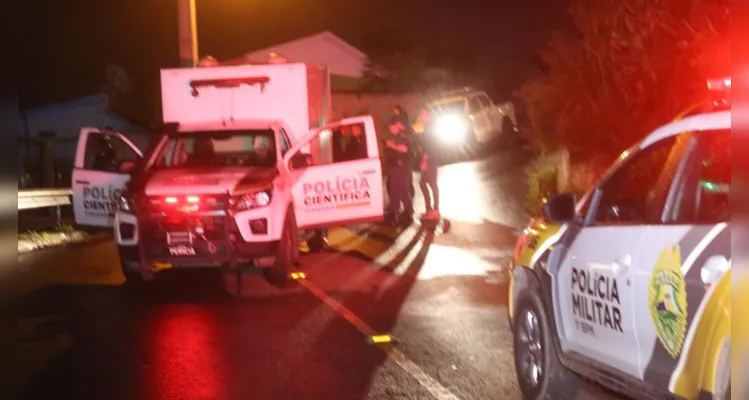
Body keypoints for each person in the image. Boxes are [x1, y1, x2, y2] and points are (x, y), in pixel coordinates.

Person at [385, 117, 414, 226]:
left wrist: (391, 145)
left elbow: (404, 149)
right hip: (395, 167)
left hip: (402, 167)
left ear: (397, 125)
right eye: (389, 128)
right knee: (394, 191)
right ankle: (395, 213)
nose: (391, 130)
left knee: (403, 190)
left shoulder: (403, 135)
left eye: (392, 127)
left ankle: (409, 212)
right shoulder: (396, 136)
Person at [418, 110, 440, 219]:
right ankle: (429, 209)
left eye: (421, 114)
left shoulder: (429, 127)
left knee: (432, 184)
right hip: (431, 159)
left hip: (430, 160)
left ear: (427, 115)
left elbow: (429, 146)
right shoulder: (428, 126)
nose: (419, 116)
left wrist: (424, 161)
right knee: (423, 183)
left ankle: (435, 210)